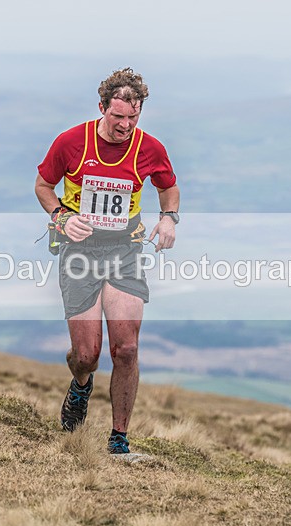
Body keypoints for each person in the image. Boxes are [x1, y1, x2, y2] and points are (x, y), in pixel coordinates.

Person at [34, 67, 180, 454]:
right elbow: (43, 185)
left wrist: (169, 219)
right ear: (101, 108)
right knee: (87, 355)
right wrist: (61, 216)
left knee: (126, 349)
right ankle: (81, 385)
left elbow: (169, 187)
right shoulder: (71, 141)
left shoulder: (150, 148)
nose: (126, 125)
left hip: (124, 252)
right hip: (79, 253)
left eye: (133, 118)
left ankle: (119, 438)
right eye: (118, 117)